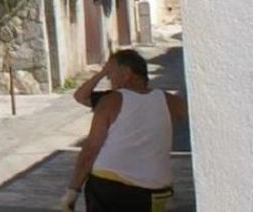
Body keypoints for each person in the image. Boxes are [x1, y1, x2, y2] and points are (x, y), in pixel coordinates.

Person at [60, 49, 187, 211]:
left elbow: (91, 149)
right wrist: (105, 70)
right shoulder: (172, 101)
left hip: (111, 188)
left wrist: (73, 189)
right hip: (157, 189)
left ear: (127, 73)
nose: (109, 78)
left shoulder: (110, 101)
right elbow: (80, 96)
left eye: (111, 73)